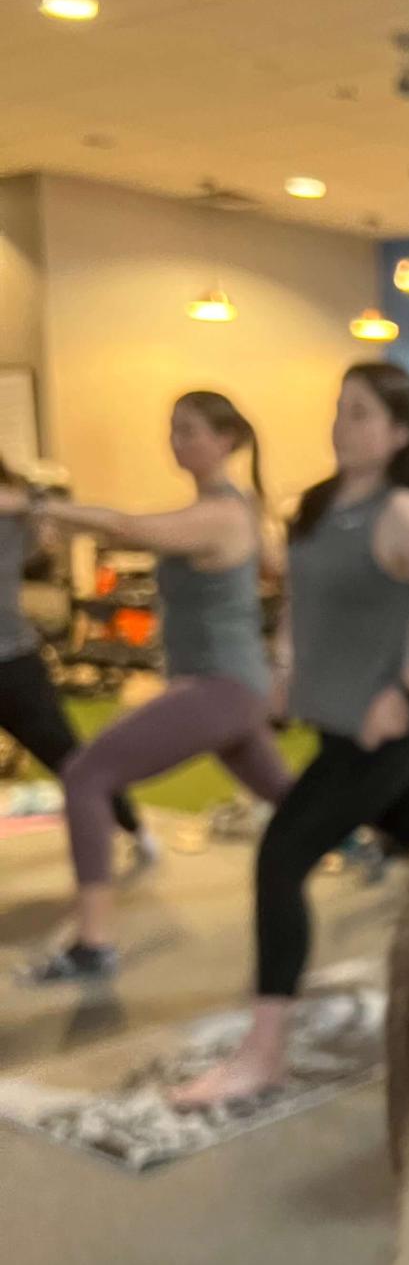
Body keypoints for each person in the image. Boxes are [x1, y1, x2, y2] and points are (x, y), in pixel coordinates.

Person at [170, 361, 409, 1108]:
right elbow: (298, 602)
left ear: (400, 433)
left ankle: (263, 1054)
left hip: (379, 737)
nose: (342, 425)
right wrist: (283, 665)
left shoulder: (402, 514)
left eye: (362, 413)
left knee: (280, 859)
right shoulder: (316, 504)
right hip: (332, 727)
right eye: (340, 409)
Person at [7, 393, 290, 983]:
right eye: (173, 429)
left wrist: (35, 502)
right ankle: (393, 837)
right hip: (231, 688)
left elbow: (129, 527)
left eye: (189, 430)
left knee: (86, 775)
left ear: (225, 440)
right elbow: (284, 570)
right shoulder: (231, 508)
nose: (175, 441)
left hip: (220, 688)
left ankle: (93, 945)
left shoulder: (223, 513)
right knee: (297, 803)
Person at [0, 456, 154, 863]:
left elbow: (44, 536)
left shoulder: (16, 506)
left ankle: (135, 829)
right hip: (15, 656)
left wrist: (32, 508)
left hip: (12, 663)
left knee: (69, 757)